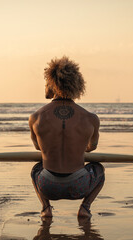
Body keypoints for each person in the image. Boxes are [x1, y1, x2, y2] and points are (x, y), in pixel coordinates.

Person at [29, 56, 105, 218]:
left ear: (52, 83)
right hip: (79, 186)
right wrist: (76, 146)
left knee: (36, 169)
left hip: (47, 186)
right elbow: (92, 147)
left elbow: (38, 148)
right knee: (99, 169)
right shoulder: (90, 118)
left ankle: (45, 208)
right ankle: (85, 208)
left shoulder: (36, 117)